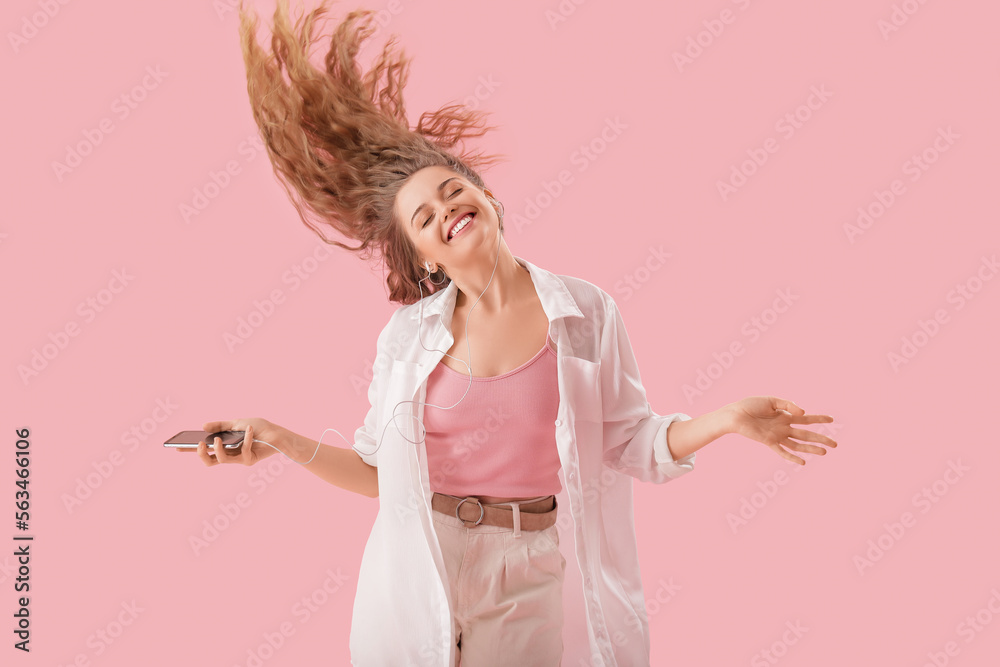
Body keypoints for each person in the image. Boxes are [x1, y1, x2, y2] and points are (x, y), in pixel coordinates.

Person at [178, 2, 839, 665]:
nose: (447, 210)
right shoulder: (406, 339)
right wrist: (278, 439)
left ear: (487, 198)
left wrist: (723, 420)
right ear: (425, 256)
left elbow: (631, 441)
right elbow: (382, 472)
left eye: (452, 190)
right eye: (424, 216)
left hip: (526, 570)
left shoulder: (584, 312)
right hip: (415, 572)